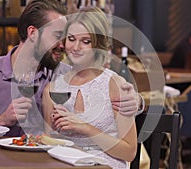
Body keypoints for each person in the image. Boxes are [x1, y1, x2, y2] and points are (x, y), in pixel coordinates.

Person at [0, 0, 142, 136]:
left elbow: (101, 89)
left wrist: (136, 101)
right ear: (33, 33)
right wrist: (0, 121)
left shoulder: (65, 74)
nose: (64, 44)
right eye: (58, 35)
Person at [42, 7, 137, 169]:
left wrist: (85, 128)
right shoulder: (51, 90)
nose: (76, 47)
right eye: (71, 39)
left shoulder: (115, 85)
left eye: (85, 41)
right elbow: (49, 143)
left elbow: (129, 152)